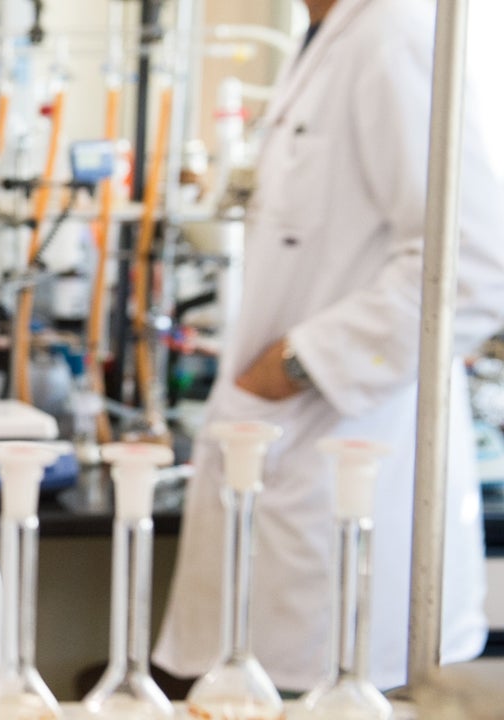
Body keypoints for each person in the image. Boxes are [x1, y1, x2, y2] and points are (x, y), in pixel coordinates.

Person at [153, 0, 504, 691]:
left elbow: (471, 265)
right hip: (293, 478)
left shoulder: (392, 37)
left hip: (346, 483)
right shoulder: (325, 39)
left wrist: (295, 364)